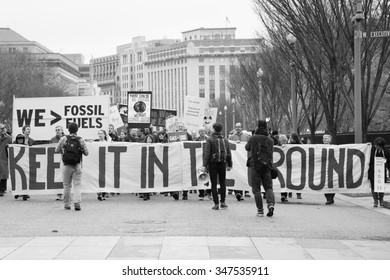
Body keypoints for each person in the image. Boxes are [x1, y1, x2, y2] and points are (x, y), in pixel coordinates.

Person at [55, 122, 89, 211]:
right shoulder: (80, 139)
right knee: (77, 185)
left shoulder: (64, 139)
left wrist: (64, 150)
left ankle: (67, 204)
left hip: (66, 164)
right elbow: (86, 153)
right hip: (77, 164)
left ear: (68, 129)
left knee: (67, 185)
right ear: (77, 130)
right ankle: (77, 203)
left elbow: (56, 149)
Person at [245, 120, 275, 217]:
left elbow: (247, 148)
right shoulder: (270, 140)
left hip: (255, 165)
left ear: (257, 127)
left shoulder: (253, 138)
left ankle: (260, 210)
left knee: (256, 189)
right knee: (268, 188)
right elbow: (271, 151)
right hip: (266, 166)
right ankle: (271, 205)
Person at [202, 122, 232, 210]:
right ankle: (223, 201)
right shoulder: (225, 139)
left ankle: (216, 203)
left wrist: (204, 165)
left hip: (213, 163)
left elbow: (207, 153)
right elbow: (229, 152)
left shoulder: (210, 139)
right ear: (221, 129)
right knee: (223, 182)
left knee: (214, 183)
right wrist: (229, 164)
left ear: (214, 129)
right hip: (222, 163)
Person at [228, 122, 250, 201]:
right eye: (236, 127)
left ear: (241, 128)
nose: (237, 128)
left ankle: (246, 191)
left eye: (239, 127)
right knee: (237, 174)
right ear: (234, 128)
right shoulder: (231, 137)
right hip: (236, 159)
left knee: (244, 173)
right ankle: (238, 192)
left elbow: (249, 146)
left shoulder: (246, 137)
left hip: (244, 159)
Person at [368, 137, 390, 207]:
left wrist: (385, 161)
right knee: (373, 186)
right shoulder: (372, 151)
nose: (375, 146)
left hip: (381, 172)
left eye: (377, 145)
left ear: (381, 146)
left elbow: (389, 161)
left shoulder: (386, 152)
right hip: (373, 171)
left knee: (381, 185)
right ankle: (375, 200)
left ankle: (381, 199)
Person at [13, 134, 30, 201]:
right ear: (16, 140)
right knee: (17, 179)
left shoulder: (26, 146)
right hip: (16, 165)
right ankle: (17, 191)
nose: (20, 140)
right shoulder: (13, 147)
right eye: (19, 139)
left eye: (21, 139)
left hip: (25, 164)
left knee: (25, 179)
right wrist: (7, 148)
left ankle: (25, 193)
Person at [285, 133, 302, 200]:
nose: (290, 139)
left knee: (297, 178)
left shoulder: (300, 145)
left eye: (291, 138)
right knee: (290, 177)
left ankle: (298, 193)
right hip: (290, 164)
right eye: (290, 138)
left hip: (297, 164)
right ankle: (290, 191)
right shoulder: (288, 145)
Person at [196, 127, 211, 200]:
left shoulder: (208, 139)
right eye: (201, 131)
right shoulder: (196, 140)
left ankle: (209, 192)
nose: (202, 132)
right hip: (199, 160)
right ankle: (201, 193)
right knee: (200, 176)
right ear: (199, 133)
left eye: (203, 131)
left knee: (209, 176)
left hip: (207, 160)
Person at [50, 126, 65, 201]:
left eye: (58, 130)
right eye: (56, 130)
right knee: (58, 177)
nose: (57, 131)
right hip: (56, 162)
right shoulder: (53, 139)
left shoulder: (66, 138)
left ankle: (65, 193)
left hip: (65, 160)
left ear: (62, 130)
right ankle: (59, 194)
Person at [96, 129, 110, 201]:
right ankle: (99, 193)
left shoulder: (107, 143)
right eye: (99, 134)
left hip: (105, 162)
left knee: (104, 178)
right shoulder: (95, 143)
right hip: (98, 162)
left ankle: (104, 192)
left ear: (104, 135)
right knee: (98, 178)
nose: (100, 135)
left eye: (101, 133)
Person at [322, 131, 336, 205]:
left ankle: (331, 198)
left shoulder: (334, 147)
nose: (324, 140)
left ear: (330, 140)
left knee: (332, 184)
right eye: (323, 138)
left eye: (326, 138)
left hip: (332, 169)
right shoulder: (319, 148)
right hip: (323, 169)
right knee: (324, 184)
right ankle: (328, 198)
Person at [0, 123, 12, 197]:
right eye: (1, 128)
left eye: (3, 128)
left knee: (4, 173)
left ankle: (2, 189)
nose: (2, 130)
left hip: (4, 158)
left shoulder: (8, 138)